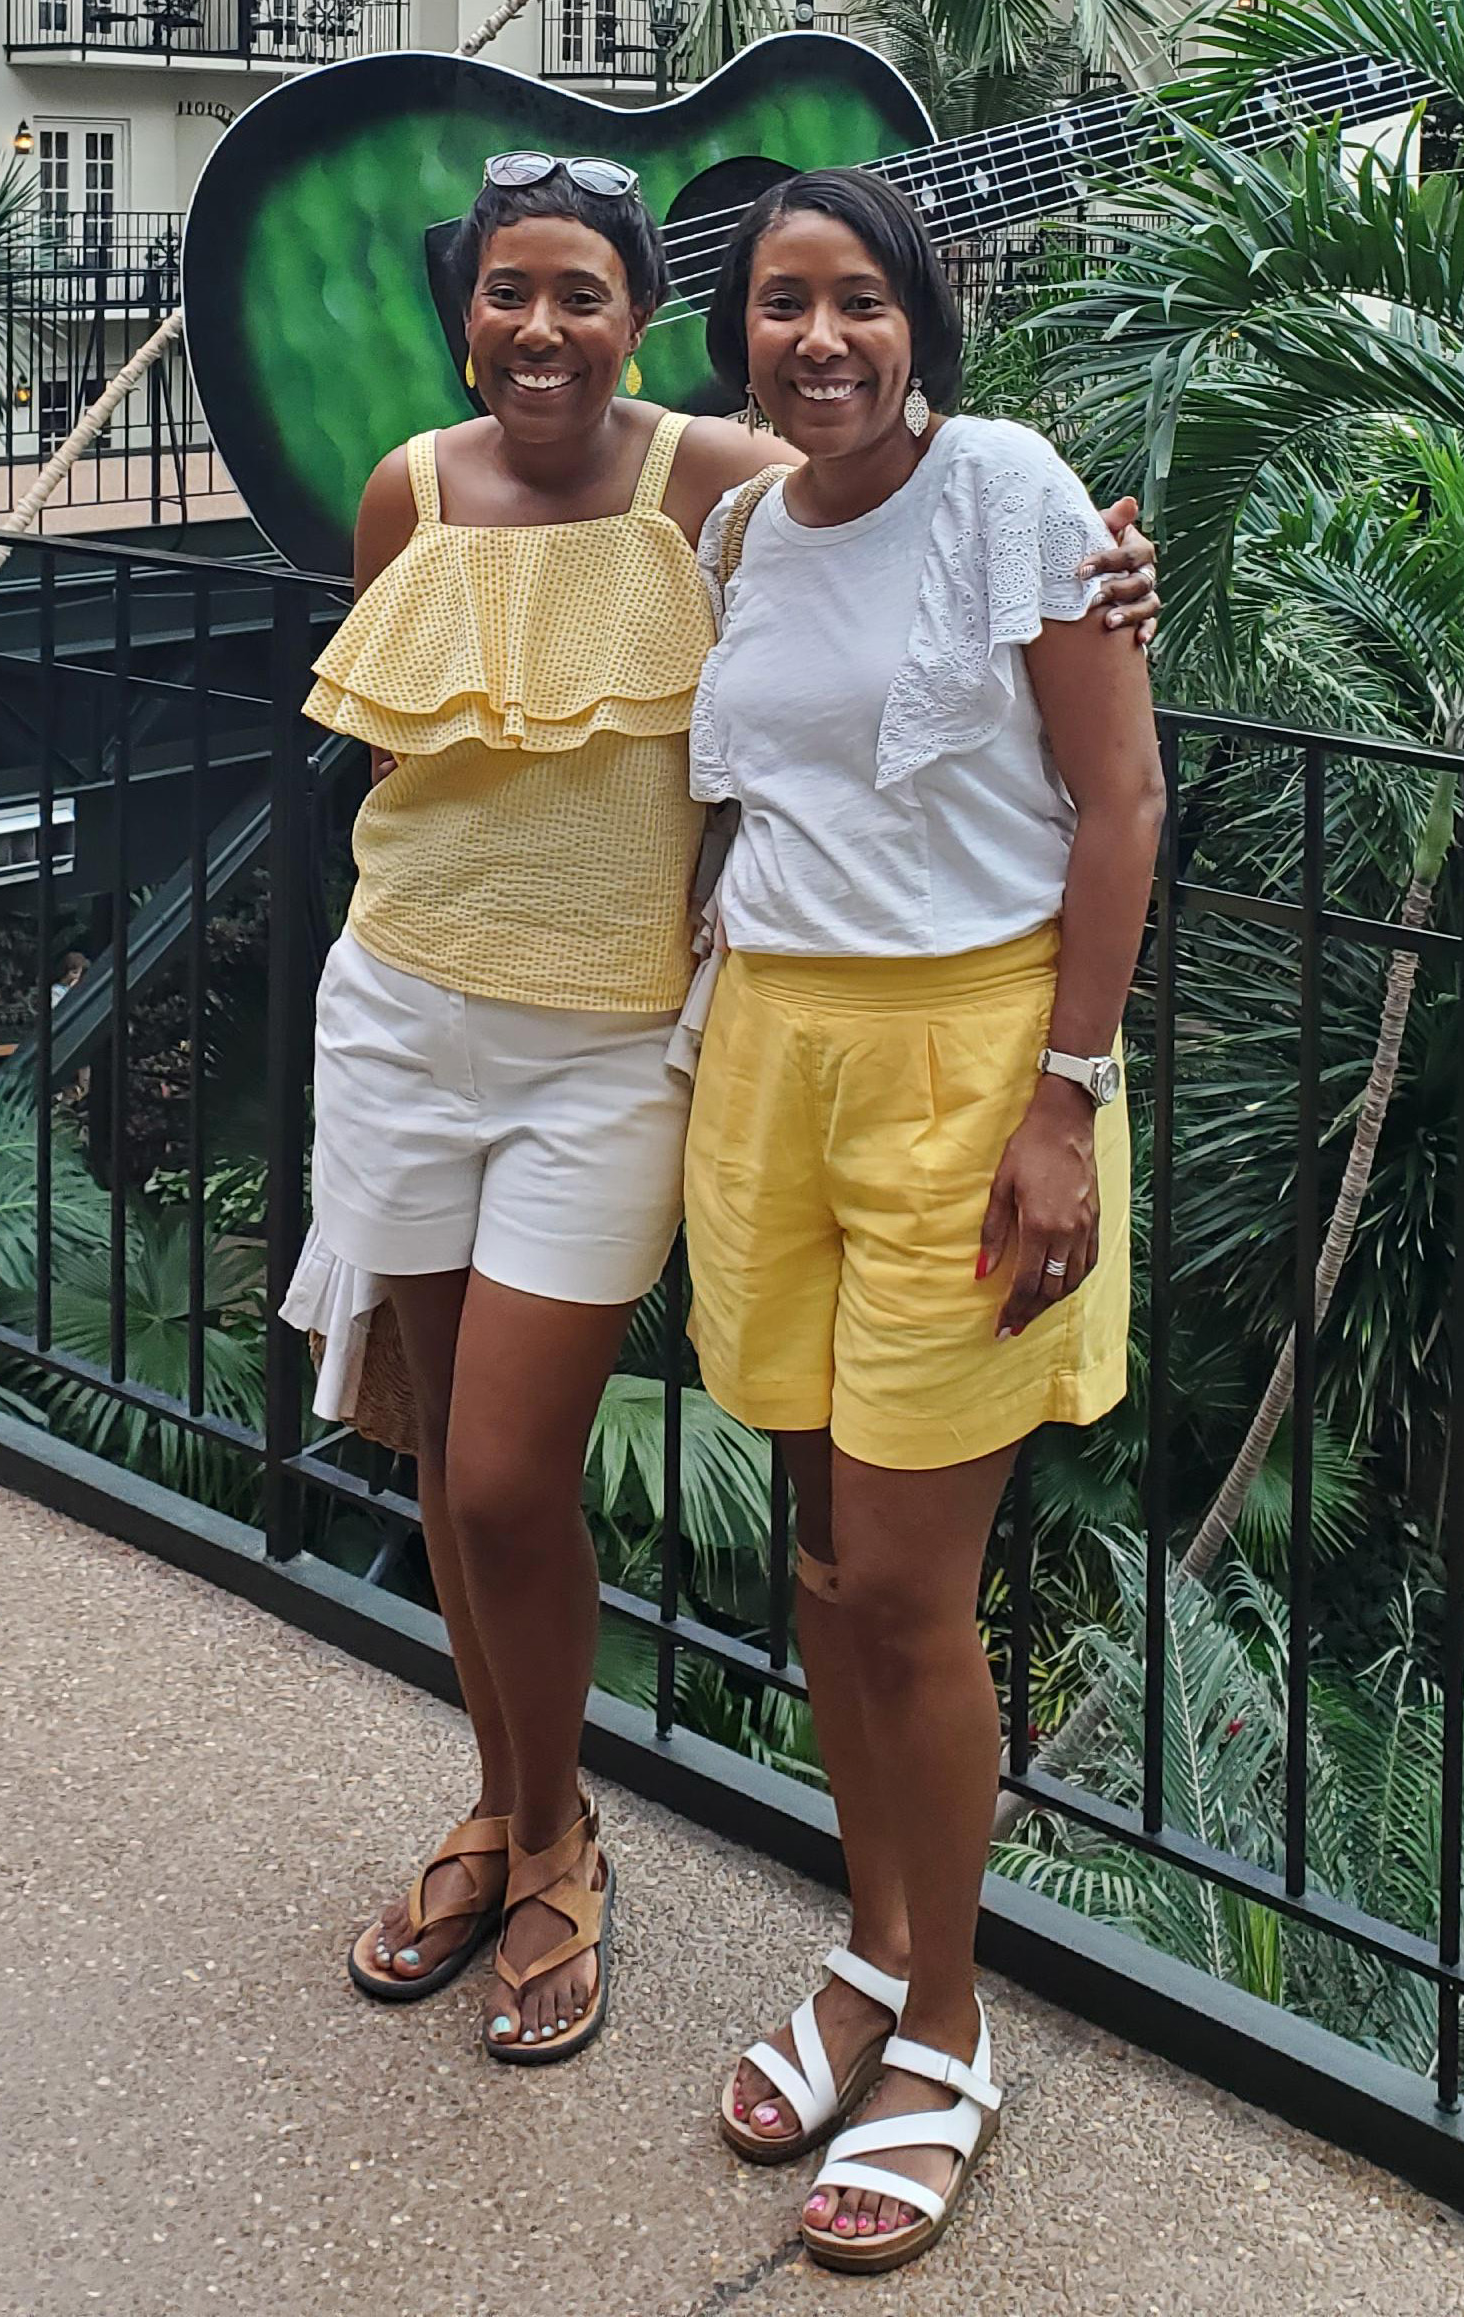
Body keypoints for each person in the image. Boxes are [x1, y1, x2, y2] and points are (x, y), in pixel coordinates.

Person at [282, 150, 1162, 2067]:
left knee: (545, 1483)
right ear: (467, 311)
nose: (541, 327)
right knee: (479, 1468)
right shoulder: (469, 502)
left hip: (671, 1050)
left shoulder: (752, 482)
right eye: (508, 290)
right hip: (520, 1022)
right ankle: (527, 1824)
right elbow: (405, 729)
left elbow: (1023, 642)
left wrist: (1110, 572)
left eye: (583, 292)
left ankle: (792, 1948)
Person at [690, 168, 1164, 2270]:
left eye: (857, 302)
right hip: (769, 1053)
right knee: (815, 1548)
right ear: (744, 332)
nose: (821, 341)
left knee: (905, 1582)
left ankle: (952, 2028)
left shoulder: (1011, 486)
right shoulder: (736, 517)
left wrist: (1067, 1099)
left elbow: (1124, 799)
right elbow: (556, 415)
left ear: (920, 316)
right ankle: (877, 1940)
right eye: (784, 305)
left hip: (974, 1069)